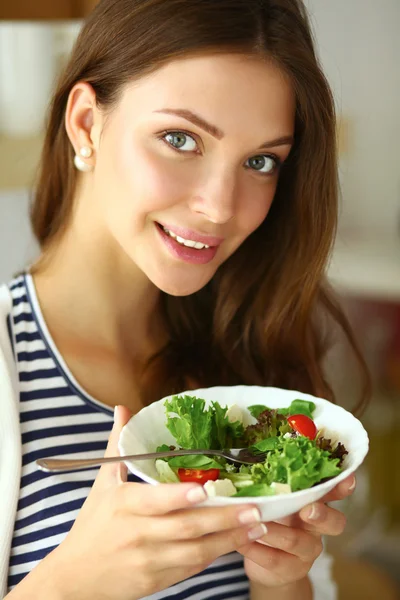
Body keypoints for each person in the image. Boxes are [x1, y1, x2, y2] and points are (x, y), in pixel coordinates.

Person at [0, 0, 369, 598]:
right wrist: (71, 585)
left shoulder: (251, 354)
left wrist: (283, 577)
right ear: (87, 124)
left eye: (260, 161)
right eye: (181, 138)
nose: (221, 206)